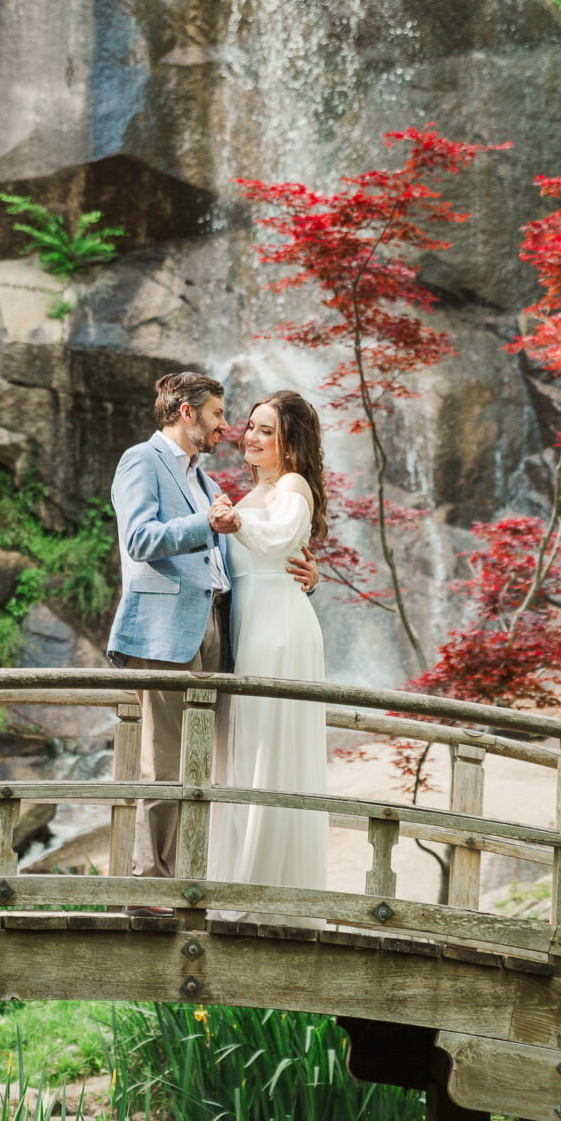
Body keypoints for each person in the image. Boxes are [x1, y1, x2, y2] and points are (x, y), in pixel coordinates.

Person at [109, 371, 318, 878]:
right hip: (165, 628)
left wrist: (306, 578)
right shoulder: (142, 460)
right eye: (220, 416)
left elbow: (251, 554)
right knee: (162, 762)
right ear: (188, 412)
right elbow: (139, 539)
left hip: (220, 631)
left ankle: (191, 875)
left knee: (203, 762)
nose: (231, 429)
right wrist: (208, 523)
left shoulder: (206, 482)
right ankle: (150, 885)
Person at [206, 390, 330, 893]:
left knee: (267, 753)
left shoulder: (293, 484)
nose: (250, 437)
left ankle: (262, 892)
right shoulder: (255, 491)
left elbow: (280, 539)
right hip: (253, 622)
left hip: (277, 630)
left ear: (290, 443)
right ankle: (240, 883)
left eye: (265, 430)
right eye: (250, 426)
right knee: (249, 752)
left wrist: (236, 523)